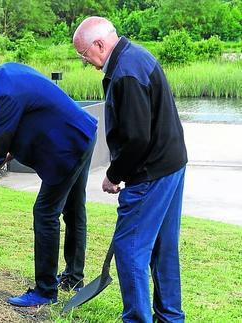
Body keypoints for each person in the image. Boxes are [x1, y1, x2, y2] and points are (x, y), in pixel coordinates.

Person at [0, 51, 98, 306]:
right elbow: (18, 128)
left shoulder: (4, 95)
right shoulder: (7, 73)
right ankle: (73, 278)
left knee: (45, 213)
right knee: (73, 210)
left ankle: (45, 290)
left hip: (66, 149)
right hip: (81, 134)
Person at [73, 17, 188, 322]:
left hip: (150, 172)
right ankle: (170, 317)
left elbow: (137, 138)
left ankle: (138, 319)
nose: (87, 62)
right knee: (163, 246)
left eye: (84, 55)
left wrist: (114, 175)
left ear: (99, 44)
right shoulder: (137, 54)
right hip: (172, 164)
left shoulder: (125, 72)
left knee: (130, 248)